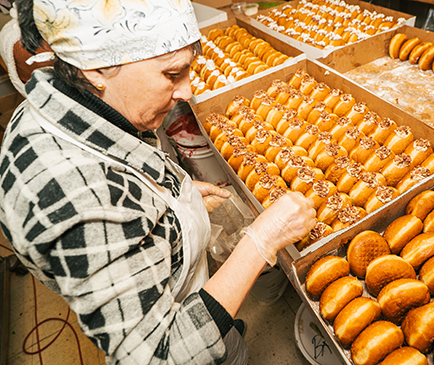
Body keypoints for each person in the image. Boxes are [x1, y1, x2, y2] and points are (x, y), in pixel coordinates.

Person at [0, 0, 317, 364]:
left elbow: (123, 183)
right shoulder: (71, 193)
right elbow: (158, 354)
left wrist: (166, 197)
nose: (188, 91)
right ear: (97, 68)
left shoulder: (79, 105)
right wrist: (261, 241)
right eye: (172, 74)